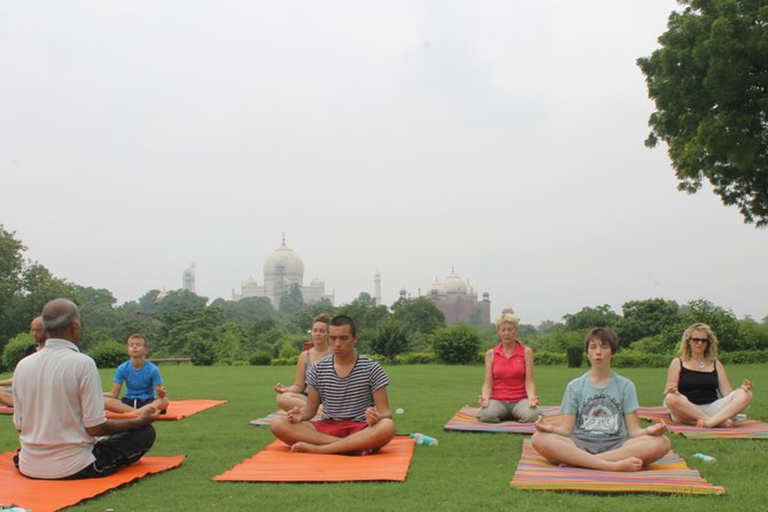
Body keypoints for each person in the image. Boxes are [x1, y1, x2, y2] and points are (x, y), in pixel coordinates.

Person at [12, 298, 160, 479]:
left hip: (29, 464)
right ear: (74, 326)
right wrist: (139, 421)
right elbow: (95, 427)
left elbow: (21, 427)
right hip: (75, 466)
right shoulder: (82, 363)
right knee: (144, 433)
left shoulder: (23, 365)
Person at [532, 327, 670, 472]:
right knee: (539, 438)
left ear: (613, 352)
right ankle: (611, 466)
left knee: (662, 443)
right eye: (593, 347)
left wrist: (649, 430)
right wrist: (550, 428)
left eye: (604, 347)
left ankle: (580, 461)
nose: (598, 352)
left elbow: (633, 431)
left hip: (617, 444)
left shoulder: (625, 386)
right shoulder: (575, 386)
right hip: (580, 443)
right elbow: (566, 430)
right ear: (587, 353)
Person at [270, 315, 395, 454]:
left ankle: (321, 449)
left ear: (355, 338)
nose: (337, 344)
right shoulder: (318, 369)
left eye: (343, 338)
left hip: (361, 427)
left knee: (386, 426)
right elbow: (310, 409)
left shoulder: (372, 368)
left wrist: (377, 417)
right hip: (328, 427)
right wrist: (301, 414)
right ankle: (351, 447)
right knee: (278, 424)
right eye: (333, 338)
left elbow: (386, 413)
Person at [663, 322, 753, 428]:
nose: (700, 343)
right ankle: (715, 421)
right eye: (696, 339)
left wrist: (742, 389)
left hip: (712, 407)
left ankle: (708, 422)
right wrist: (672, 390)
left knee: (746, 395)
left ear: (708, 343)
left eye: (703, 340)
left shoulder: (715, 363)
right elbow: (667, 391)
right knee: (670, 398)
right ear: (688, 341)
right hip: (686, 408)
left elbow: (727, 393)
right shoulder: (678, 362)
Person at [478, 313, 540, 423]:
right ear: (498, 332)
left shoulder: (526, 352)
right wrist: (485, 398)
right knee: (485, 415)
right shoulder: (491, 354)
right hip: (498, 400)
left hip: (520, 399)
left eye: (510, 330)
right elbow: (488, 383)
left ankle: (514, 414)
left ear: (516, 331)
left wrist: (531, 398)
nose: (506, 333)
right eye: (503, 330)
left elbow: (529, 381)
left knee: (532, 416)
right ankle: (506, 415)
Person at [274, 313, 331, 411]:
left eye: (322, 331)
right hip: (308, 399)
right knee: (282, 398)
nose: (317, 334)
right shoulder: (305, 356)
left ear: (329, 334)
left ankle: (318, 411)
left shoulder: (336, 354)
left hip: (330, 399)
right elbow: (299, 386)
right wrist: (286, 389)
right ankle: (319, 411)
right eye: (315, 330)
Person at [103, 334, 169, 414]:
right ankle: (139, 413)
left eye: (138, 345)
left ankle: (131, 414)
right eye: (131, 345)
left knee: (164, 402)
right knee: (104, 401)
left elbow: (160, 395)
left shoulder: (153, 369)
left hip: (147, 402)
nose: (134, 347)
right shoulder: (122, 368)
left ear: (145, 350)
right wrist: (97, 394)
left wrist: (161, 394)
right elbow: (114, 394)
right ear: (128, 350)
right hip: (128, 402)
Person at [0, 316, 49, 406]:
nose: (34, 333)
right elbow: (18, 377)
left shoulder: (52, 353)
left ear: (48, 331)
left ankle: (27, 406)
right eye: (33, 330)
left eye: (38, 330)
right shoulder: (30, 350)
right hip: (24, 389)